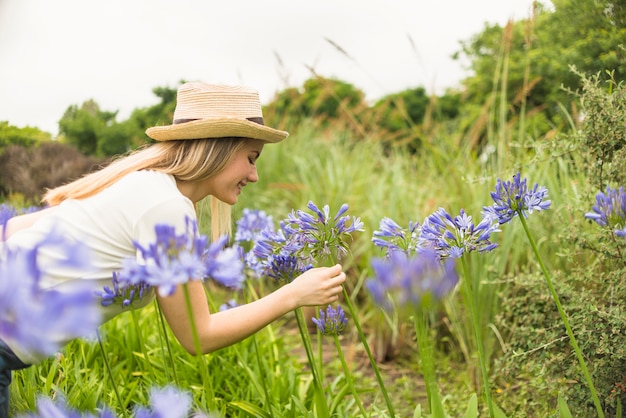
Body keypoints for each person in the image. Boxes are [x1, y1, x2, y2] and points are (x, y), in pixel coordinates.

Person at [0, 82, 346, 417]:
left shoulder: (141, 182)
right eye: (251, 158)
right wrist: (293, 295)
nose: (254, 175)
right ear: (220, 148)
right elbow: (199, 336)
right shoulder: (166, 207)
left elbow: (15, 229)